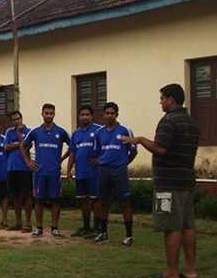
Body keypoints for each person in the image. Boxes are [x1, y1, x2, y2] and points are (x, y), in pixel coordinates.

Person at [121, 84, 199, 278]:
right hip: (186, 182)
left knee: (171, 227)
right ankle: (190, 270)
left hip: (168, 184)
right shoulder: (191, 122)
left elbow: (160, 148)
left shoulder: (168, 121)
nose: (160, 102)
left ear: (171, 99)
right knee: (187, 226)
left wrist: (139, 139)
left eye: (162, 99)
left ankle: (172, 273)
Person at [92, 102, 137, 246]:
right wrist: (101, 163)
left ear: (117, 114)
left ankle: (128, 236)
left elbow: (133, 151)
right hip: (104, 171)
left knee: (125, 203)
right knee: (103, 202)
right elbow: (95, 154)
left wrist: (123, 163)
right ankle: (103, 233)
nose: (109, 115)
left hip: (119, 171)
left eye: (112, 113)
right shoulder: (99, 133)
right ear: (103, 115)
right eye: (107, 113)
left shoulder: (125, 130)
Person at [22, 104, 70, 237]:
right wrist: (28, 162)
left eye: (51, 113)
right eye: (46, 113)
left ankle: (54, 228)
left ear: (54, 114)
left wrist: (61, 159)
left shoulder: (61, 132)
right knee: (38, 200)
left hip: (54, 172)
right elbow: (23, 146)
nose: (48, 115)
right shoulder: (35, 131)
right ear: (42, 114)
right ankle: (39, 228)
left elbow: (72, 146)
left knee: (55, 200)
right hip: (39, 172)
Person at [67, 105, 102, 237]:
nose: (85, 117)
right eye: (82, 115)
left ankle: (97, 228)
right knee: (83, 201)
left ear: (92, 116)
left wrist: (101, 160)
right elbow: (72, 153)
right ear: (79, 117)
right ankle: (86, 227)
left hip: (95, 173)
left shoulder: (99, 130)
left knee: (96, 201)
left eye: (87, 114)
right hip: (81, 173)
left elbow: (105, 148)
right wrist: (69, 170)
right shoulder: (76, 133)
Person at [4, 110, 33, 232]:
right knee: (15, 196)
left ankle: (28, 223)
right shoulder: (9, 132)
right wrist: (19, 143)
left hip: (25, 167)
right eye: (14, 119)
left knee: (27, 195)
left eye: (18, 118)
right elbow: (6, 147)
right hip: (12, 167)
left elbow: (27, 146)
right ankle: (18, 222)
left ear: (21, 118)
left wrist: (18, 139)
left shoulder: (29, 131)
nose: (16, 121)